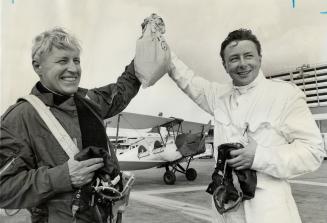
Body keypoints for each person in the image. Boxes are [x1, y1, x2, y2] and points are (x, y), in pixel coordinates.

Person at [167, 29, 326, 223]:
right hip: (226, 210)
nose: (242, 64)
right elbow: (186, 78)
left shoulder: (285, 95)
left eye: (248, 56)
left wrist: (259, 157)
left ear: (260, 58)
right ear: (225, 65)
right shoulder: (218, 96)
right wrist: (157, 40)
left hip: (269, 213)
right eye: (234, 59)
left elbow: (313, 151)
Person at [0, 27, 141, 223]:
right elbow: (4, 188)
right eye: (62, 61)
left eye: (76, 60)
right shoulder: (20, 117)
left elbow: (122, 90)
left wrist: (146, 47)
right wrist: (63, 176)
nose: (73, 69)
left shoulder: (89, 101)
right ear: (37, 66)